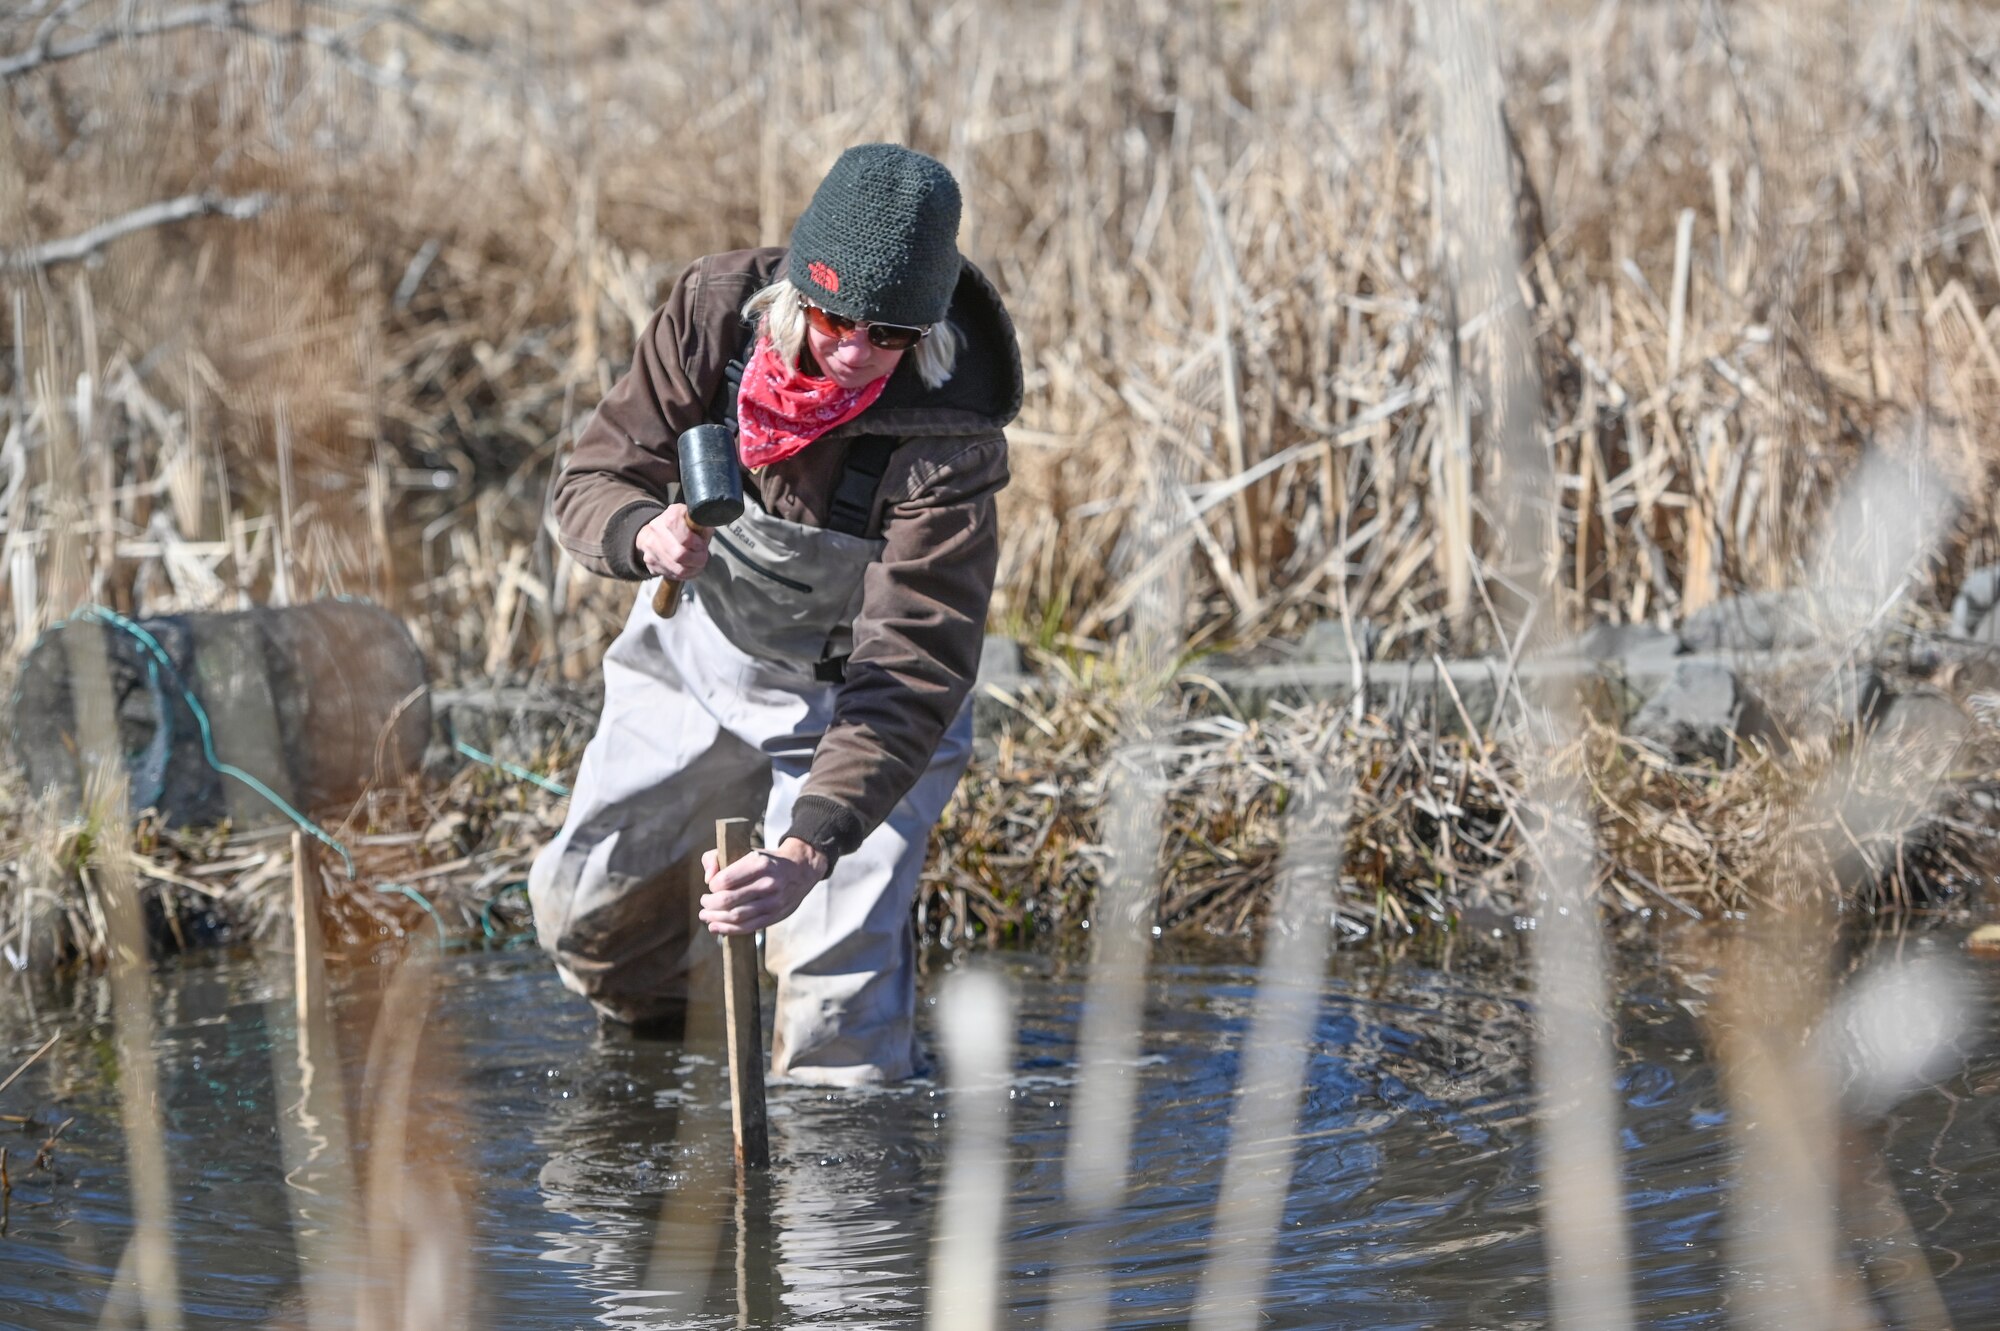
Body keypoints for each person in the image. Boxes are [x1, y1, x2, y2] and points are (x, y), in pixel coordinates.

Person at [530, 144, 1020, 1086]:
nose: (852, 352)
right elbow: (593, 476)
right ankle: (674, 1078)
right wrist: (641, 533)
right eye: (835, 318)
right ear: (797, 289)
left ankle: (841, 1213)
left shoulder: (949, 437)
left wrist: (806, 845)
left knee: (840, 1032)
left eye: (889, 335)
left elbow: (912, 664)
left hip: (857, 709)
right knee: (587, 913)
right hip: (694, 651)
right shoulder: (712, 314)